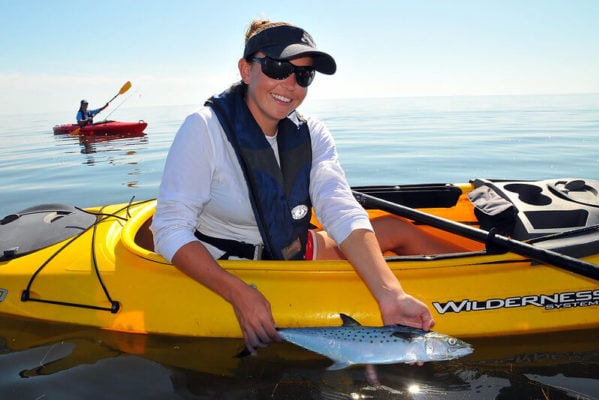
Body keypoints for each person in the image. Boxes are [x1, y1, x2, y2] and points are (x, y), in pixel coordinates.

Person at [151, 19, 464, 354]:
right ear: (246, 70)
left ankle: (476, 282)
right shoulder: (204, 128)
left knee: (396, 228)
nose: (290, 85)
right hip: (228, 260)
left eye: (303, 75)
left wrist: (391, 294)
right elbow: (169, 228)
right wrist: (238, 293)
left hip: (291, 247)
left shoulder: (313, 133)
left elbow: (339, 208)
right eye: (277, 68)